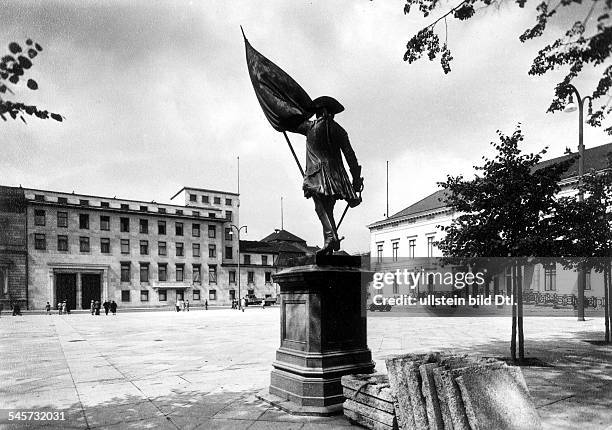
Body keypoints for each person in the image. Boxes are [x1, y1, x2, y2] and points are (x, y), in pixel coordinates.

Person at [288, 96, 363, 255]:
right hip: (337, 176)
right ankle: (329, 242)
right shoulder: (340, 130)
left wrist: (279, 118)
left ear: (321, 111)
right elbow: (350, 156)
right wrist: (356, 179)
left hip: (317, 174)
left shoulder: (310, 127)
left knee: (320, 207)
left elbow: (290, 124)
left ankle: (331, 237)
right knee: (327, 208)